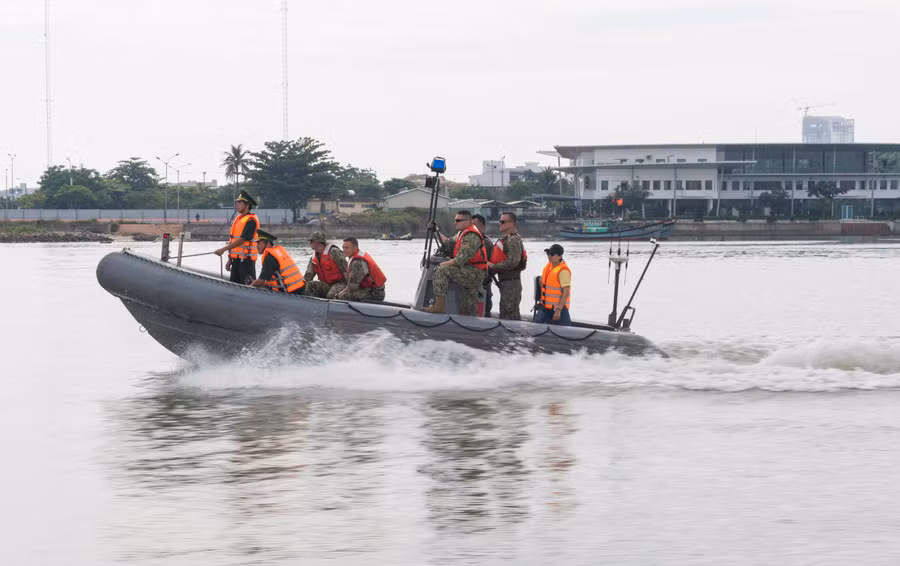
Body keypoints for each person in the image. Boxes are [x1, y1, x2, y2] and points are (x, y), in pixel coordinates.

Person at [423, 210, 488, 316]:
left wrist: (442, 264)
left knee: (441, 270)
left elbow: (459, 260)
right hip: (469, 271)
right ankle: (471, 320)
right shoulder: (461, 233)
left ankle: (439, 305)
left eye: (458, 220)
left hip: (474, 273)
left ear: (468, 221)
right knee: (468, 305)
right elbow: (447, 242)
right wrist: (435, 231)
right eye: (455, 220)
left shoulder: (471, 236)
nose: (455, 223)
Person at [487, 211, 527, 320]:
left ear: (512, 223)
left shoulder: (513, 240)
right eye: (500, 221)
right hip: (506, 282)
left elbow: (512, 262)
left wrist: (493, 266)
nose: (500, 223)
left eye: (503, 222)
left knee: (509, 314)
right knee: (505, 311)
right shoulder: (508, 239)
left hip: (511, 283)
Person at [215, 190, 258, 285]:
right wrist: (230, 259)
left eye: (240, 203)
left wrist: (223, 249)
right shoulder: (239, 218)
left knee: (247, 287)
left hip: (246, 261)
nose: (237, 205)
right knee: (234, 285)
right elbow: (234, 242)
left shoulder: (251, 221)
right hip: (236, 260)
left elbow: (242, 239)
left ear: (247, 206)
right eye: (237, 203)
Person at [249, 229, 306, 294]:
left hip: (291, 293)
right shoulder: (278, 251)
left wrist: (248, 288)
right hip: (299, 288)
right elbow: (267, 280)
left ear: (268, 243)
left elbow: (261, 281)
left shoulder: (270, 257)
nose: (257, 246)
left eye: (259, 243)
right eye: (257, 244)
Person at [337, 237, 387, 302]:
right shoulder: (355, 256)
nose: (344, 250)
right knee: (340, 291)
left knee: (343, 296)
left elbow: (352, 287)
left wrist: (338, 295)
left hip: (376, 293)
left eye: (347, 248)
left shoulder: (358, 262)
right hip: (368, 289)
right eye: (343, 247)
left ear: (355, 248)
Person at [535, 244, 572, 326]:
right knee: (536, 326)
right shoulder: (548, 267)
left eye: (552, 254)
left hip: (559, 309)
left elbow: (566, 292)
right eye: (548, 254)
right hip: (545, 307)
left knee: (565, 330)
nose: (549, 256)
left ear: (560, 256)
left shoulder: (563, 271)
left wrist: (559, 310)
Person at [304, 231, 348, 298]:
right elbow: (309, 275)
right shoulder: (313, 258)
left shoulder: (334, 252)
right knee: (311, 285)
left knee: (331, 295)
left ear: (318, 242)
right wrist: (302, 286)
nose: (310, 243)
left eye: (311, 241)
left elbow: (346, 270)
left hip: (340, 283)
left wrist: (349, 288)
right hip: (326, 284)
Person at [471, 214, 493, 317]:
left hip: (482, 287)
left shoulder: (486, 243)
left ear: (482, 227)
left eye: (475, 225)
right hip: (473, 287)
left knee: (483, 313)